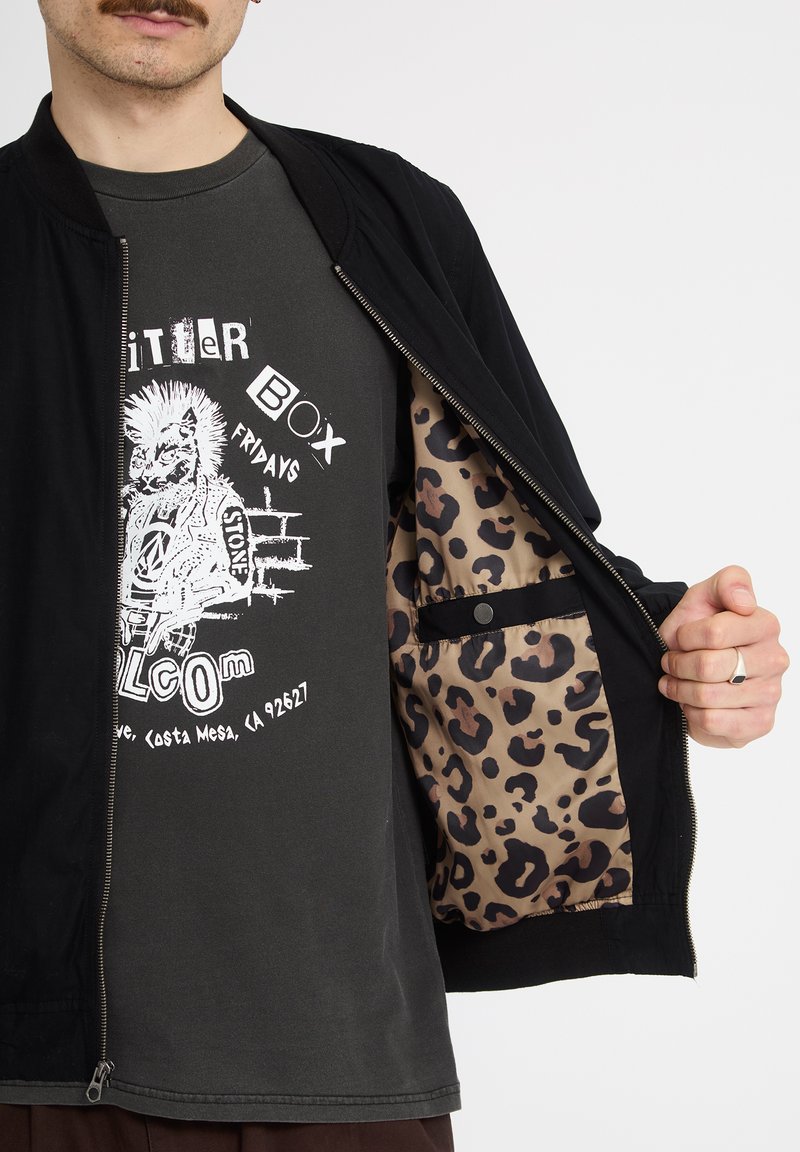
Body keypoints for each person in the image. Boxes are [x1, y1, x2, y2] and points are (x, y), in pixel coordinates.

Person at [0, 3, 788, 1151]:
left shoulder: (388, 223)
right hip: (30, 1071)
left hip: (350, 1066)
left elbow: (511, 541)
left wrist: (676, 646)